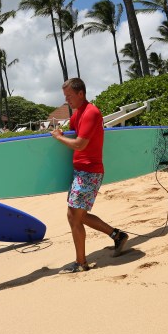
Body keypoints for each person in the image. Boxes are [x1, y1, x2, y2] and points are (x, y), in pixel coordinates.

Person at [51, 78, 129, 273]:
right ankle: (117, 235)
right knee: (79, 215)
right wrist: (61, 132)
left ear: (80, 94)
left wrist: (59, 137)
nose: (66, 100)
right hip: (80, 171)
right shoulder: (78, 115)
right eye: (65, 97)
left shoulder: (91, 113)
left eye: (69, 96)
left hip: (90, 172)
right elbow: (74, 135)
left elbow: (80, 144)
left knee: (73, 215)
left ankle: (81, 263)